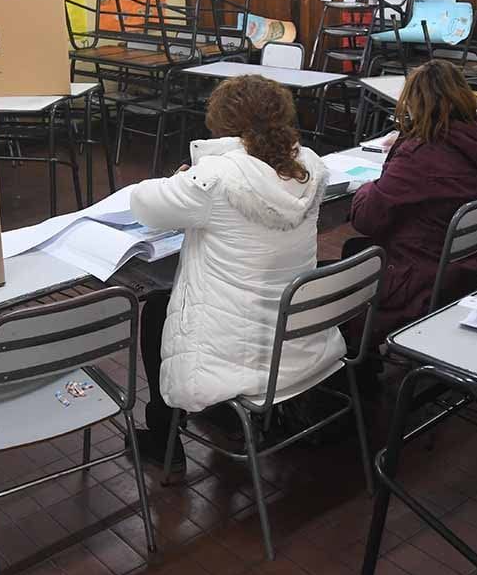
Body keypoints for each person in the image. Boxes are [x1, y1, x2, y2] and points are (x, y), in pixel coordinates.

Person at [128, 75, 346, 471]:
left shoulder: (214, 179)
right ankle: (224, 414)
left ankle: (163, 438)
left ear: (221, 124)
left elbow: (144, 204)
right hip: (296, 340)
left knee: (159, 307)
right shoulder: (310, 166)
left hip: (238, 351)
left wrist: (182, 178)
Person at [348, 60, 477, 361]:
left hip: (416, 277)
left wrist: (370, 184)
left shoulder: (419, 157)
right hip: (460, 268)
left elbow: (366, 218)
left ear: (414, 105)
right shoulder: (475, 142)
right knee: (354, 251)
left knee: (336, 278)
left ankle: (359, 373)